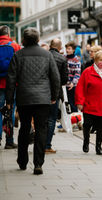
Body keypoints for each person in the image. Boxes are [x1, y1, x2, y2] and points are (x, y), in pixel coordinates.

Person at [6, 27, 60, 175]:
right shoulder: (47, 55)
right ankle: (38, 164)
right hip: (43, 99)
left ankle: (22, 161)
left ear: (24, 39)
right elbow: (55, 78)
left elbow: (11, 79)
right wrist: (54, 96)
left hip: (24, 98)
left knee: (24, 128)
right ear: (37, 39)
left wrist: (9, 100)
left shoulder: (18, 55)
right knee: (41, 130)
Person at [75, 51, 102, 155]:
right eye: (100, 60)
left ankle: (98, 147)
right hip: (89, 104)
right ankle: (86, 142)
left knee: (101, 127)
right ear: (95, 60)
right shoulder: (87, 72)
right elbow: (80, 88)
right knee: (87, 124)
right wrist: (80, 102)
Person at [46, 38, 68, 154]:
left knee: (42, 118)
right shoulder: (62, 59)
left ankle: (40, 143)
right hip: (55, 92)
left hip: (42, 91)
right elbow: (64, 79)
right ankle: (47, 145)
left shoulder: (44, 55)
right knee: (51, 119)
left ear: (50, 45)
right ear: (60, 47)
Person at [0, 25, 20, 149]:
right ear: (8, 33)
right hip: (11, 84)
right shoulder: (15, 46)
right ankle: (9, 140)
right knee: (10, 111)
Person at [65, 41, 81, 113]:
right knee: (66, 105)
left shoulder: (76, 60)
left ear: (73, 50)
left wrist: (73, 83)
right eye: (66, 48)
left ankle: (75, 122)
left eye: (69, 48)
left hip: (72, 85)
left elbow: (77, 73)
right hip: (64, 85)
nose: (67, 50)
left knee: (73, 104)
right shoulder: (63, 58)